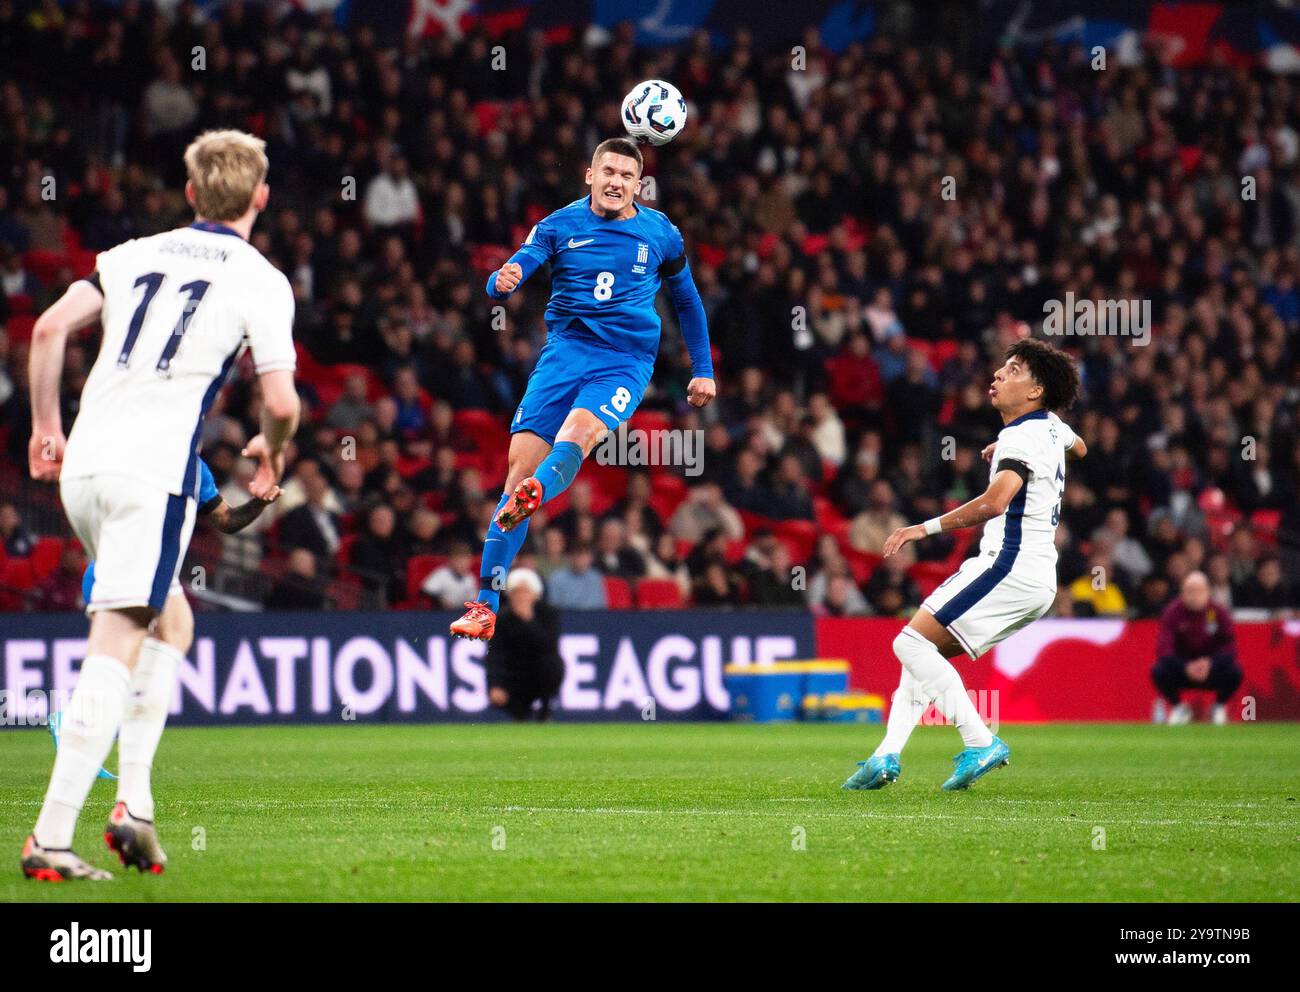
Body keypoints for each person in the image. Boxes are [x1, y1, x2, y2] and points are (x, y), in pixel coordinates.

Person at [22, 129, 299, 882]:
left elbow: (48, 328)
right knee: (118, 640)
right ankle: (47, 838)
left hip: (85, 467)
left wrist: (46, 430)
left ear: (188, 194)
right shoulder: (261, 277)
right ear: (261, 197)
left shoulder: (132, 252)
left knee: (169, 620)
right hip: (150, 474)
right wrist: (273, 449)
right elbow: (280, 399)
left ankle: (135, 810)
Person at [448, 137, 716, 641]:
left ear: (639, 185)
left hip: (623, 362)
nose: (616, 181)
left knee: (580, 432)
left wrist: (701, 367)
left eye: (627, 176)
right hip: (564, 356)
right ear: (590, 176)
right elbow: (520, 263)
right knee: (514, 476)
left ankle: (538, 493)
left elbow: (688, 302)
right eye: (608, 172)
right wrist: (500, 281)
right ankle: (485, 606)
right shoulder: (558, 225)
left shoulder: (661, 234)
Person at [843, 339, 1085, 793]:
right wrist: (1024, 449)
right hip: (1036, 579)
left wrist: (923, 528)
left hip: (1007, 565)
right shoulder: (1051, 427)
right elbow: (1082, 447)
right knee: (922, 654)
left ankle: (980, 740)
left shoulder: (1024, 436)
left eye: (1013, 371)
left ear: (1036, 391)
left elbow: (995, 504)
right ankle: (885, 756)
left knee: (909, 644)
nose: (998, 375)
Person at [1152, 571, 1243, 725]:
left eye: (1198, 591)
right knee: (1158, 671)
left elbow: (1229, 647)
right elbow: (1163, 649)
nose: (1194, 596)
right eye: (1189, 591)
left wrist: (1210, 664)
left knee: (1235, 671)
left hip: (1211, 669)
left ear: (1208, 592)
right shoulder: (1172, 612)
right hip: (1182, 669)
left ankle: (1218, 706)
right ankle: (1178, 707)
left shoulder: (1218, 612)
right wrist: (1185, 666)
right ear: (1182, 593)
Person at [485, 569, 564, 721]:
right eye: (516, 592)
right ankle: (519, 714)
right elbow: (494, 655)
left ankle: (544, 711)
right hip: (514, 675)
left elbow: (549, 646)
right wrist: (494, 685)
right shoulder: (502, 619)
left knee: (551, 665)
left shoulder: (548, 614)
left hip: (540, 672)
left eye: (525, 592)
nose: (520, 597)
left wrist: (528, 622)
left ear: (535, 594)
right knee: (517, 709)